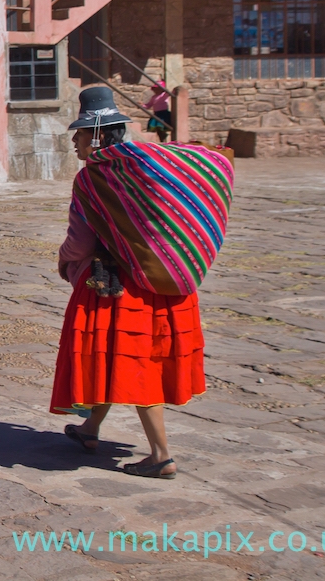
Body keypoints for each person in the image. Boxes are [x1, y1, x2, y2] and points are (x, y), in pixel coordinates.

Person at [50, 86, 234, 478]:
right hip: (164, 286)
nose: (74, 143)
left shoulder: (93, 180)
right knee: (115, 361)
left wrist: (64, 260)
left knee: (137, 367)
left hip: (119, 291)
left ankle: (161, 454)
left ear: (97, 135)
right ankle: (89, 429)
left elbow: (80, 242)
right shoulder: (151, 169)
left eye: (80, 135)